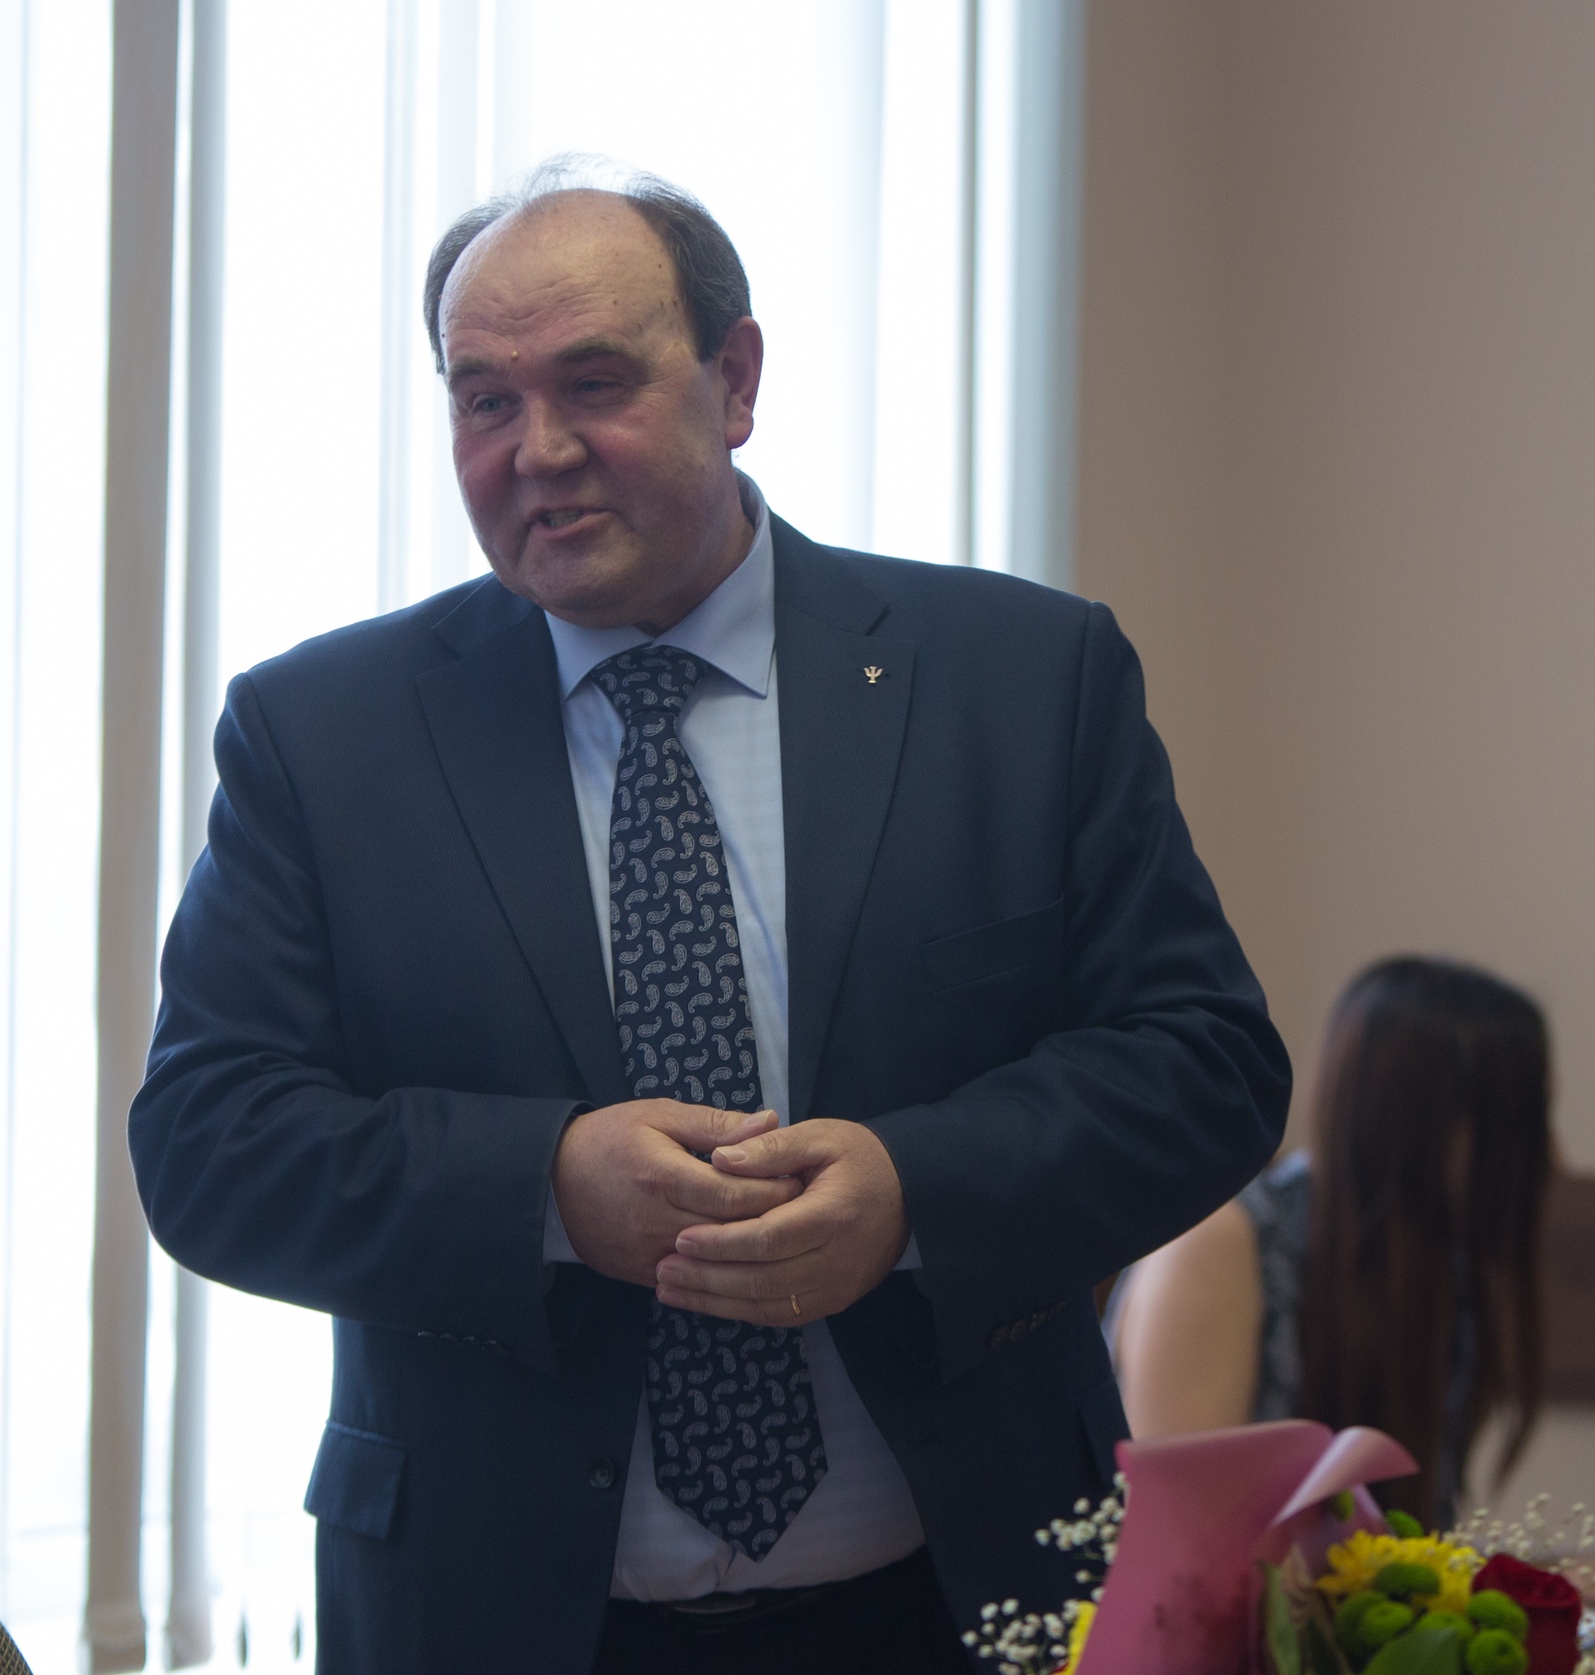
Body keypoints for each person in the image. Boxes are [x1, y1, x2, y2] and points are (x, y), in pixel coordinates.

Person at [127, 160, 1289, 1673]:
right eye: (483, 400)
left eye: (593, 382)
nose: (538, 450)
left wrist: (914, 1192)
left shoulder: (1018, 681)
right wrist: (546, 1186)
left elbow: (1206, 1065)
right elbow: (208, 1142)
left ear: (734, 380)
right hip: (501, 1620)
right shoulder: (324, 736)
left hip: (954, 1604)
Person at [1109, 955, 1595, 1608]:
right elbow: (1195, 1575)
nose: (1556, 1163)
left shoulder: (1435, 1279)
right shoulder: (1218, 1249)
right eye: (1528, 1125)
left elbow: (1402, 1566)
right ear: (1426, 1126)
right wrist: (1503, 1592)